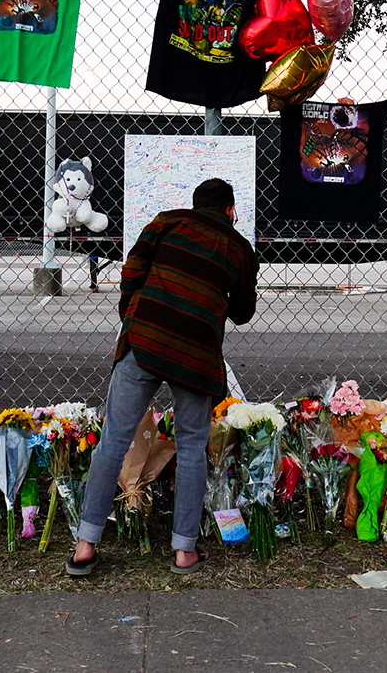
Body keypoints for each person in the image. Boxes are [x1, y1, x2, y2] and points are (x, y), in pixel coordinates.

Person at [67, 178, 259, 576]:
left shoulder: (166, 222)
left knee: (113, 441)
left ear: (194, 204)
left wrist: (134, 317)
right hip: (197, 356)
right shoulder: (240, 249)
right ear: (230, 210)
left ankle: (85, 545)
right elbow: (242, 312)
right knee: (191, 448)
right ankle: (184, 552)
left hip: (146, 339)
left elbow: (131, 271)